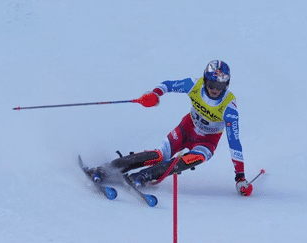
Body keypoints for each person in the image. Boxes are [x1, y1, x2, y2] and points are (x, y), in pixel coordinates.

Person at [88, 60, 253, 196]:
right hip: (186, 129)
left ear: (227, 85)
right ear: (205, 79)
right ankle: (105, 169)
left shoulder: (229, 108)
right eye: (211, 84)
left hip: (207, 141)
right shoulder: (194, 85)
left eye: (220, 86)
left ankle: (144, 176)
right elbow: (168, 85)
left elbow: (234, 142)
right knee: (159, 155)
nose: (215, 89)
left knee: (194, 158)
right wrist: (154, 94)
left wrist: (240, 177)